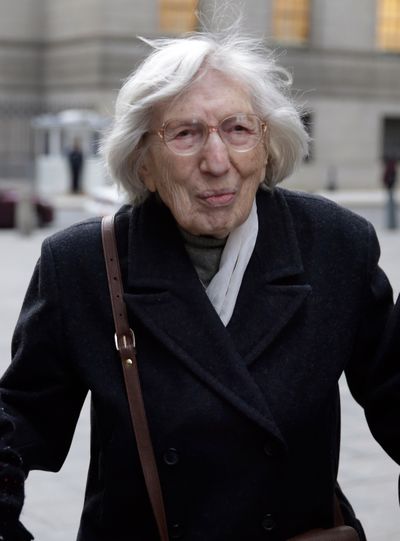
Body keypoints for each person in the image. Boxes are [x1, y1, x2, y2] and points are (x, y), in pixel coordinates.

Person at [0, 29, 398, 541]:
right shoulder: (83, 264)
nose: (216, 162)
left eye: (237, 129)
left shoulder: (336, 245)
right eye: (185, 134)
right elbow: (19, 421)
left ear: (268, 144)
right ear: (143, 160)